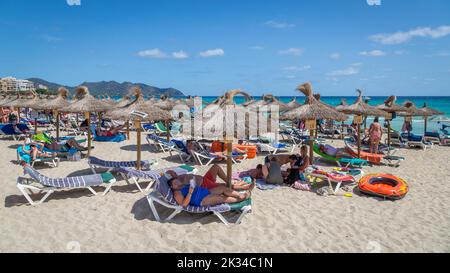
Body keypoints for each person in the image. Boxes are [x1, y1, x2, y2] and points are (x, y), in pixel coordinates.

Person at [169, 177, 251, 207]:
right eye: (175, 183)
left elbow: (193, 185)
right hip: (201, 200)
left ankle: (239, 195)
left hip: (206, 192)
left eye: (177, 181)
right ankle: (240, 199)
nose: (178, 183)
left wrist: (193, 183)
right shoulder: (177, 193)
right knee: (221, 198)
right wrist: (190, 192)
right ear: (172, 187)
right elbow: (184, 204)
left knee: (222, 188)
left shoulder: (183, 185)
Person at [165, 164, 254, 191]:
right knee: (224, 185)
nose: (172, 171)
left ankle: (231, 182)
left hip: (205, 178)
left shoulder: (179, 177)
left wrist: (174, 174)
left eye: (172, 171)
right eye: (171, 173)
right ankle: (245, 187)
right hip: (205, 185)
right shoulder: (180, 186)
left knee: (216, 166)